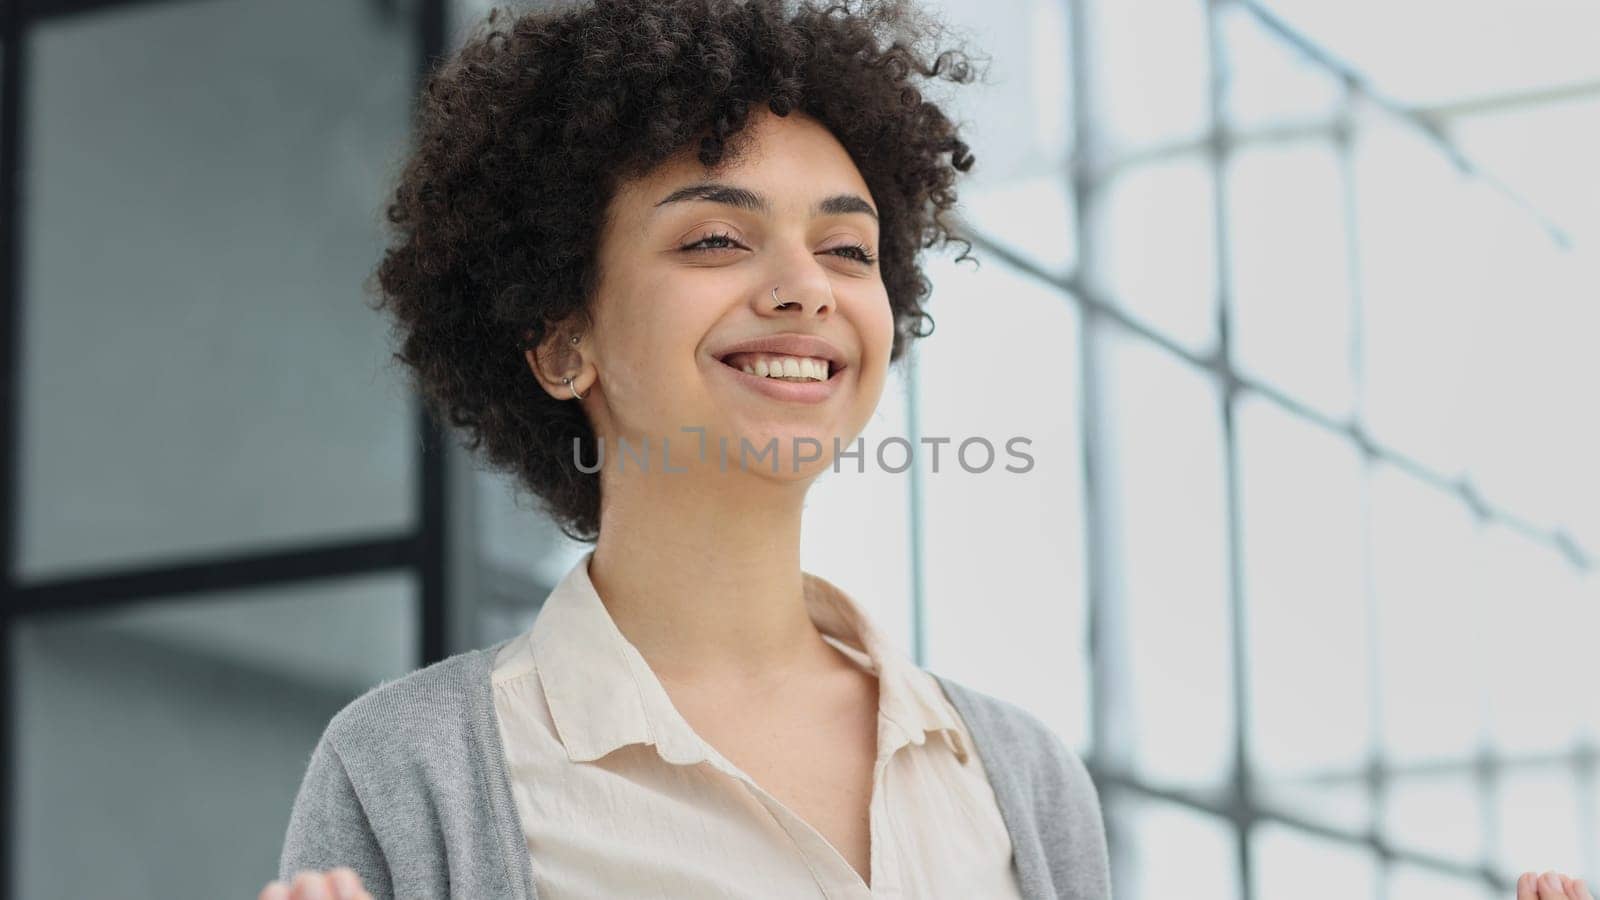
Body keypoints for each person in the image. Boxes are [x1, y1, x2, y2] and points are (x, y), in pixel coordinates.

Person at [255, 1, 1584, 899]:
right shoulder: (416, 775)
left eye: (847, 248)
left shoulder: (1012, 773)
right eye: (717, 240)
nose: (805, 288)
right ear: (559, 342)